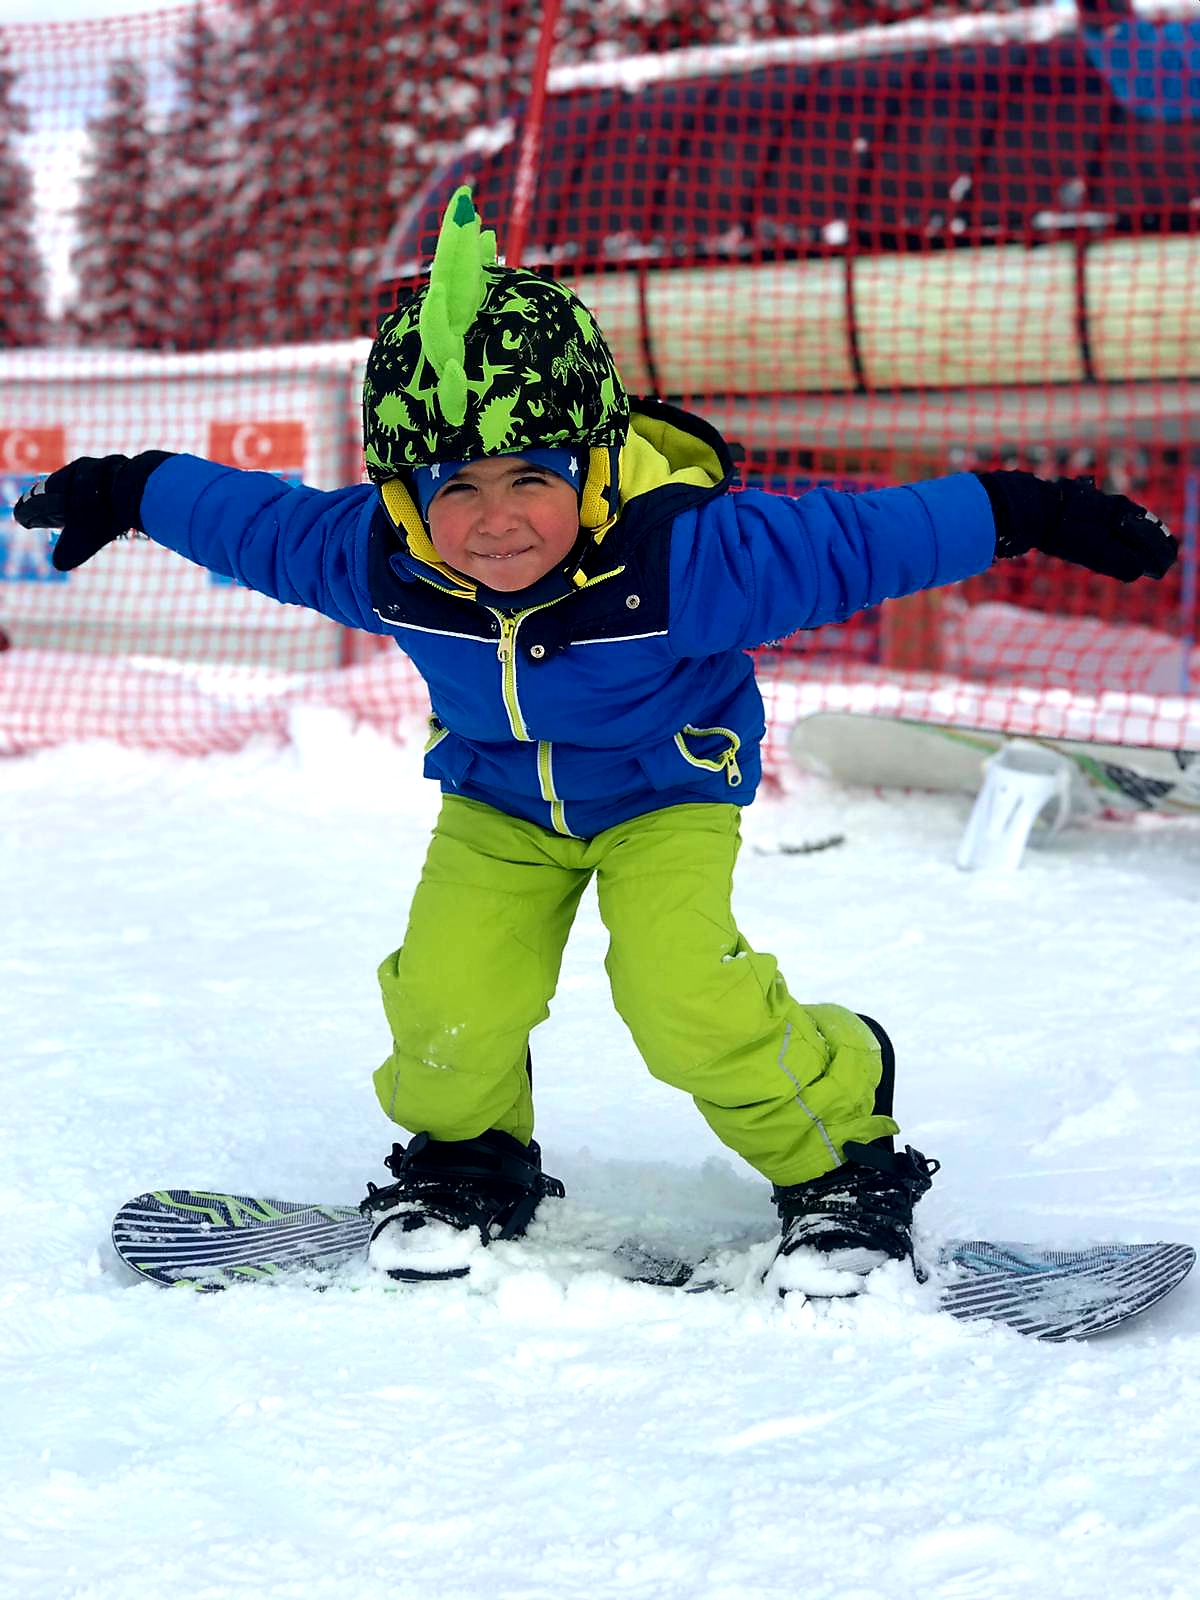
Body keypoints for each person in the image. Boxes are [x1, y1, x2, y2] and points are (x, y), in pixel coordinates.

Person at [15, 187, 1177, 1291]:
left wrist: (1041, 511)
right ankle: (471, 1158)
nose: (496, 519)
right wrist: (129, 486)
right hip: (498, 800)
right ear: (407, 494)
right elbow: (255, 523)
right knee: (443, 1000)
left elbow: (865, 540)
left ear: (591, 461)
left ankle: (842, 1156)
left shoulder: (686, 559)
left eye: (533, 475)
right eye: (454, 486)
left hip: (665, 789)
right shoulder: (387, 556)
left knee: (682, 999)